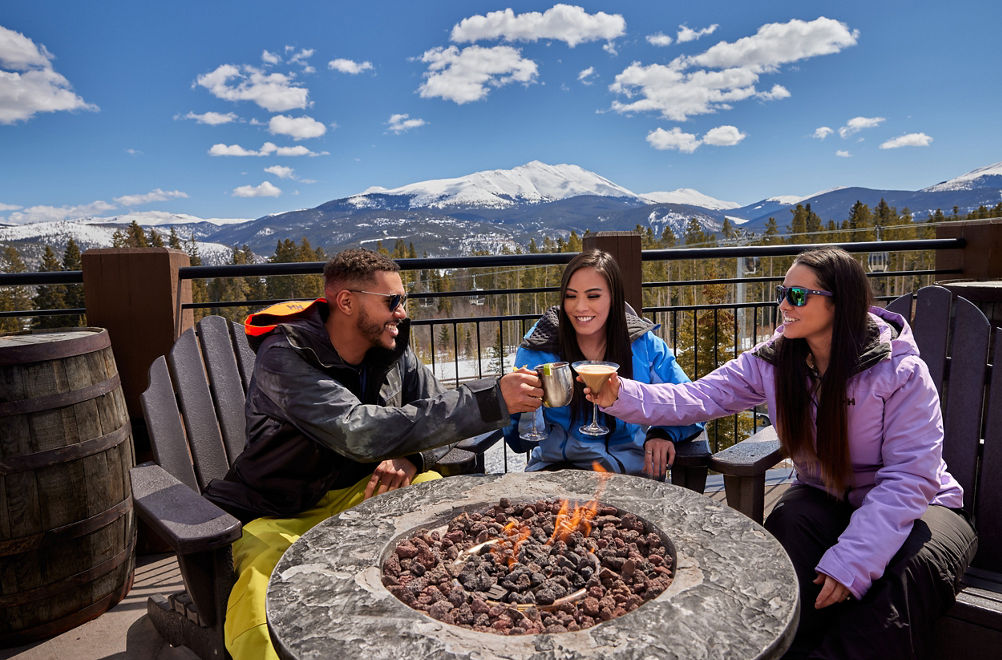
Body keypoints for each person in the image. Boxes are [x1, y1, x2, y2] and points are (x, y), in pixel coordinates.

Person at [587, 246, 978, 658]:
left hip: (925, 508)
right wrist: (620, 393)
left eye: (796, 296)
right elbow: (698, 396)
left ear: (839, 301)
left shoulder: (899, 372)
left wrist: (851, 561)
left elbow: (911, 478)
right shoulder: (775, 361)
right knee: (788, 530)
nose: (781, 306)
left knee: (902, 581)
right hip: (829, 496)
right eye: (782, 293)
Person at [203, 247, 542, 660]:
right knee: (263, 585)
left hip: (366, 489)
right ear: (346, 301)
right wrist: (489, 402)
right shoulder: (286, 357)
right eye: (392, 301)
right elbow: (356, 431)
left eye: (404, 301)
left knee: (448, 508)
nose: (402, 312)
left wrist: (413, 459)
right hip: (279, 508)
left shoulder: (393, 350)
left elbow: (437, 417)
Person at [503, 249, 703, 477]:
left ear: (614, 298)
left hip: (632, 478)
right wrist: (515, 409)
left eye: (593, 296)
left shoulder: (644, 346)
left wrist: (663, 434)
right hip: (556, 475)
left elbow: (691, 403)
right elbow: (518, 443)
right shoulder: (540, 348)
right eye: (571, 296)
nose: (580, 307)